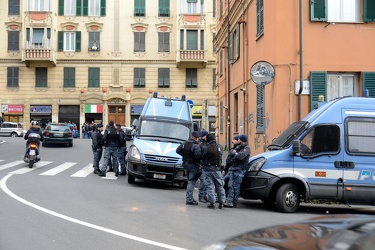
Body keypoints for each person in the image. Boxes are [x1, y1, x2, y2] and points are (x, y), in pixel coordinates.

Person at [224, 134, 250, 208]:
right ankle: (229, 201)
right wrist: (235, 154)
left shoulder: (246, 148)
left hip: (240, 169)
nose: (238, 140)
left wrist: (235, 154)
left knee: (236, 186)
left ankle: (234, 202)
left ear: (241, 140)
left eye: (239, 139)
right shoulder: (239, 147)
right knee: (230, 185)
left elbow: (240, 156)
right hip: (233, 168)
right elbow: (232, 153)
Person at [176, 131, 202, 205]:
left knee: (189, 180)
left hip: (185, 164)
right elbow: (198, 156)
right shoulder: (195, 146)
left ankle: (189, 197)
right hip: (193, 165)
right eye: (197, 138)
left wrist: (184, 156)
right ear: (195, 138)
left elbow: (178, 150)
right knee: (191, 181)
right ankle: (189, 199)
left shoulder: (184, 143)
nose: (198, 139)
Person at [201, 133, 225, 209]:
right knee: (219, 185)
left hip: (207, 169)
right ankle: (221, 202)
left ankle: (212, 202)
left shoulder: (206, 148)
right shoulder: (220, 146)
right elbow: (220, 155)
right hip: (217, 169)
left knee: (210, 186)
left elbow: (202, 156)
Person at [198, 130, 209, 203]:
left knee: (206, 181)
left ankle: (204, 195)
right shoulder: (200, 144)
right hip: (202, 165)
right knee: (203, 181)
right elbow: (199, 155)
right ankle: (201, 196)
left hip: (206, 165)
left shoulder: (206, 143)